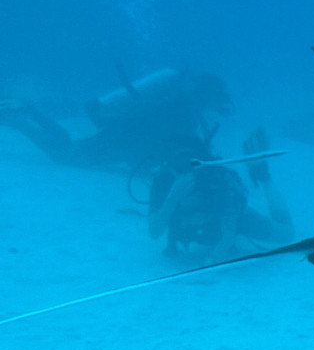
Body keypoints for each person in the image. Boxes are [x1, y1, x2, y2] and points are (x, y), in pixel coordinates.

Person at [0, 68, 234, 169]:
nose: (215, 106)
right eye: (215, 100)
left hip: (121, 138)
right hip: (120, 142)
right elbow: (175, 139)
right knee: (65, 155)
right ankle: (24, 119)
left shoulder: (181, 105)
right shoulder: (184, 110)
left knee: (69, 149)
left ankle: (27, 117)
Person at [146, 127, 294, 262]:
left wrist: (215, 256)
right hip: (199, 230)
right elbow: (154, 232)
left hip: (226, 223)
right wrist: (172, 198)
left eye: (190, 165)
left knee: (286, 234)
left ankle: (262, 174)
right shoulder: (164, 182)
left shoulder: (215, 182)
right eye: (179, 166)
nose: (185, 173)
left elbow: (228, 235)